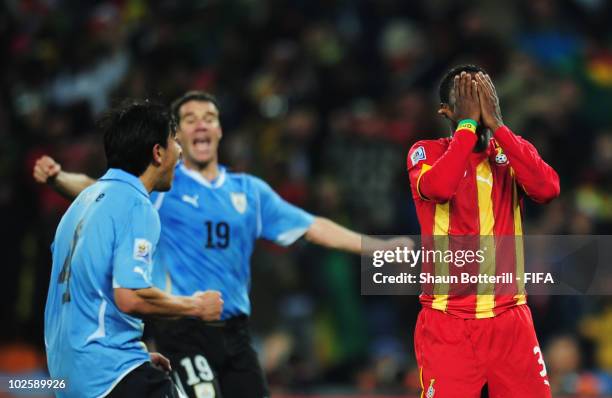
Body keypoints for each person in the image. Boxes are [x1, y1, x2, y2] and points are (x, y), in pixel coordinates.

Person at [34, 91, 411, 398]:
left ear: (219, 131)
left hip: (233, 332)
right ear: (172, 138)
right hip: (182, 328)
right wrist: (60, 179)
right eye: (189, 118)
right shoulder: (158, 191)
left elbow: (311, 226)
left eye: (209, 117)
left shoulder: (248, 192)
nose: (200, 124)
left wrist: (377, 248)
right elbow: (104, 195)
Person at [43, 100, 224, 398]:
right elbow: (130, 296)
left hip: (68, 379)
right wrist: (195, 305)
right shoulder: (136, 204)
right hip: (107, 373)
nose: (180, 152)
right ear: (157, 153)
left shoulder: (79, 205)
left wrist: (133, 353)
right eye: (175, 142)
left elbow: (86, 293)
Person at [406, 65, 560, 398]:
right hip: (448, 322)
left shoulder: (511, 152)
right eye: (466, 101)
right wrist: (467, 127)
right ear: (447, 111)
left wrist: (499, 127)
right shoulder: (427, 152)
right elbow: (440, 188)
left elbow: (547, 189)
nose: (477, 108)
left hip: (510, 321)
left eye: (483, 97)